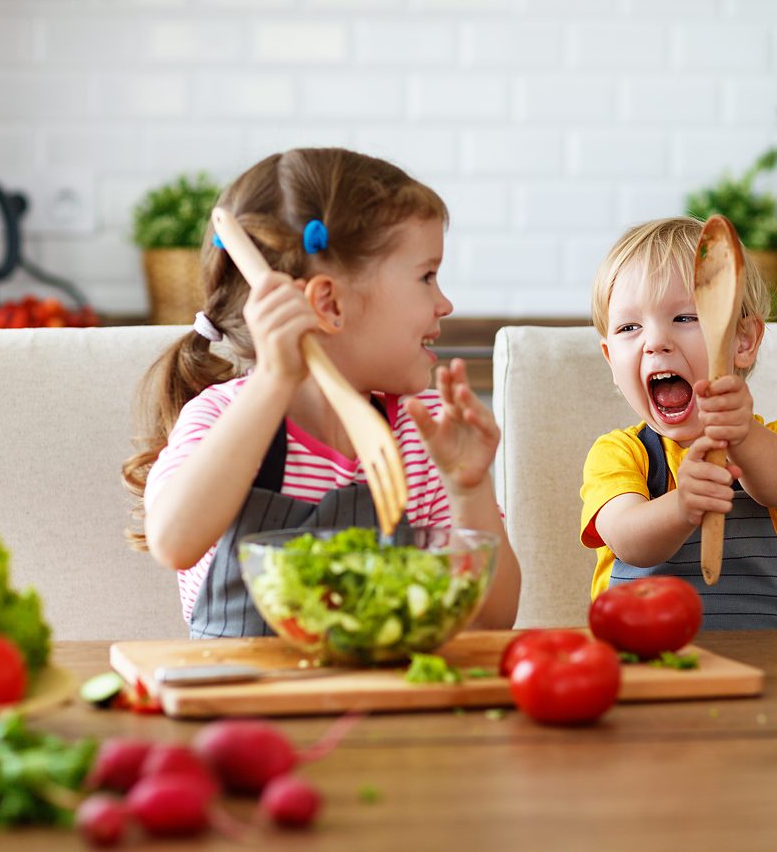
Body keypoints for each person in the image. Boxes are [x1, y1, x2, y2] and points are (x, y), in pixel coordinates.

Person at [123, 148, 521, 638]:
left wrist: (468, 487)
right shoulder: (223, 416)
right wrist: (272, 380)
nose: (445, 303)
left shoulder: (424, 430)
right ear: (330, 303)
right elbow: (173, 543)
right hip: (244, 697)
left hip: (380, 701)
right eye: (427, 276)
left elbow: (493, 619)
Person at [580, 217, 777, 628]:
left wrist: (741, 433)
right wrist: (682, 505)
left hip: (773, 657)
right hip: (645, 658)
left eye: (685, 318)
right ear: (610, 360)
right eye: (630, 327)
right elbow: (627, 539)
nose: (655, 341)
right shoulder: (619, 453)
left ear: (742, 341)